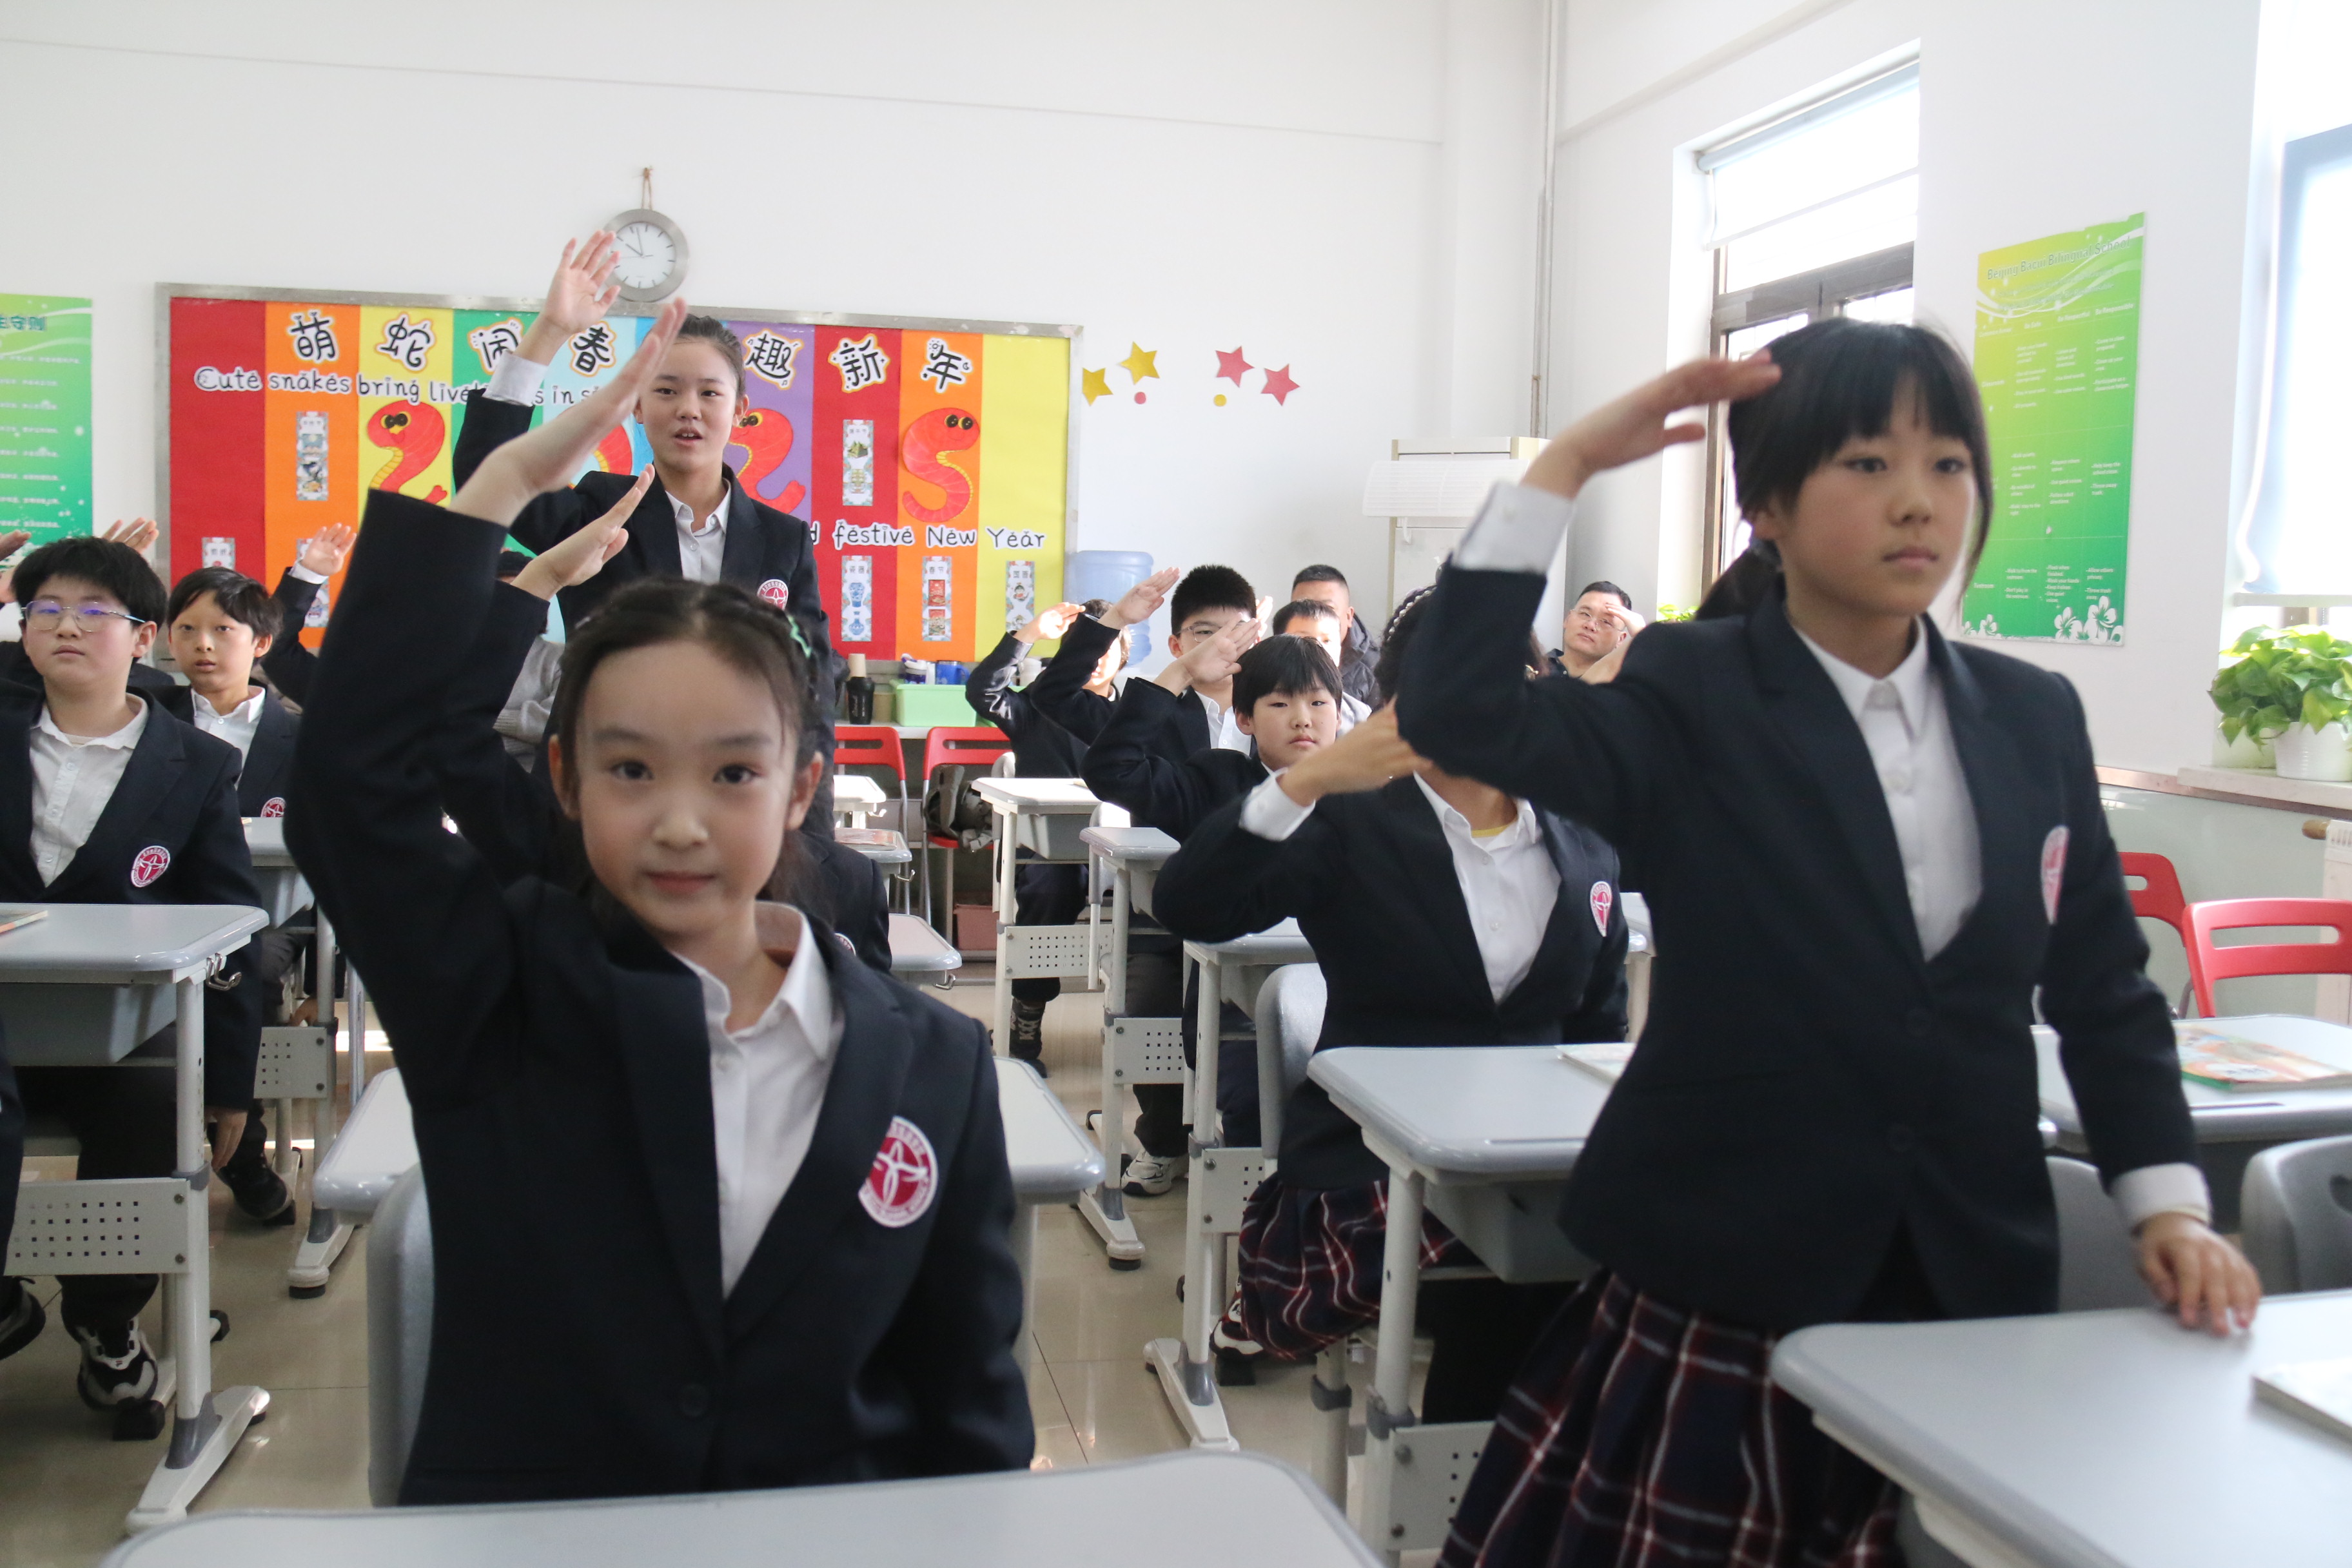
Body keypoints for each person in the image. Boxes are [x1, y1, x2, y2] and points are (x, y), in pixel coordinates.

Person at [1396, 319, 2260, 1567]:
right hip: (1730, 1276)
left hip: (1961, 1282)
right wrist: (1564, 467)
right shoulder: (1689, 688)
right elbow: (1451, 708)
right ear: (1767, 507)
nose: (1918, 500)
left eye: (1947, 463)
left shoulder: (2030, 715)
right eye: (1866, 463)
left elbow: (2102, 989)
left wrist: (2166, 1202)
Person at [288, 300, 1028, 1504]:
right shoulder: (494, 991)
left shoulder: (933, 1064)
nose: (681, 823)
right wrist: (502, 487)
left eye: (732, 773)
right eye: (631, 769)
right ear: (567, 778)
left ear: (800, 788)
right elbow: (350, 786)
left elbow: (970, 1411)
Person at [1153, 589, 1627, 1409]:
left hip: (1531, 1164)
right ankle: (1485, 1467)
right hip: (1374, 1162)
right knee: (1514, 1285)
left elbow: (1597, 1022)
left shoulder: (1578, 833)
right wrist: (1304, 782)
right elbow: (1192, 905)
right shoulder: (1349, 820)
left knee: (1643, 1252)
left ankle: (1517, 1462)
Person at [0, 534, 268, 1427]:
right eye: (44, 609)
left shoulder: (195, 764)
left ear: (143, 636)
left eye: (93, 611)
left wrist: (232, 1083)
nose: (66, 626)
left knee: (158, 1103)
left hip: (117, 1035)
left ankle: (106, 1318)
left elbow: (230, 929)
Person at [451, 234, 838, 836]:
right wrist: (549, 333)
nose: (689, 409)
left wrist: (812, 835)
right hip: (599, 796)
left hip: (735, 805)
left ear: (740, 410)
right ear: (635, 406)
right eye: (666, 390)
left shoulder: (781, 539)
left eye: (710, 393)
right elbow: (490, 473)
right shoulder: (600, 511)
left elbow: (814, 686)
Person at [157, 565, 309, 1226]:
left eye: (223, 629)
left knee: (247, 968)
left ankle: (242, 1152)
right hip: (159, 910)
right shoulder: (145, 720)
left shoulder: (301, 737)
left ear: (262, 643)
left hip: (269, 914)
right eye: (187, 629)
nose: (203, 644)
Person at [966, 599, 1128, 1069]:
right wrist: (1029, 633)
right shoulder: (1037, 707)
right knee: (1052, 885)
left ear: (1123, 654)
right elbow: (983, 692)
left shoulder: (1137, 711)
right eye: (1084, 645)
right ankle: (1027, 1011)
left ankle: (1146, 1023)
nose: (1096, 656)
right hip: (1049, 854)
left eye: (1106, 646)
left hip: (1123, 854)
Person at [1032, 565, 1256, 755]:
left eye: (1237, 630)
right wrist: (1117, 617)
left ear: (1255, 640)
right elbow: (1054, 696)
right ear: (1176, 646)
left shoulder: (1272, 716)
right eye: (1205, 632)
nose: (1221, 643)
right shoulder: (1147, 720)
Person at [1269, 599, 1369, 731]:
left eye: (1327, 641)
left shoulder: (1360, 714)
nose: (1318, 648)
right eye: (1304, 640)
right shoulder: (1263, 702)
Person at [1290, 564, 1379, 707]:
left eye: (1328, 609)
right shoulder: (1273, 654)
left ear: (1349, 616)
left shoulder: (1376, 668)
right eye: (1303, 608)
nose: (1314, 617)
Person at [1549, 580, 1642, 678]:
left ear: (1620, 639)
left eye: (1606, 622)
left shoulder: (1620, 683)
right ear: (1568, 619)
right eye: (1585, 614)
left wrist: (1642, 635)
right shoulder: (1539, 667)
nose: (1590, 625)